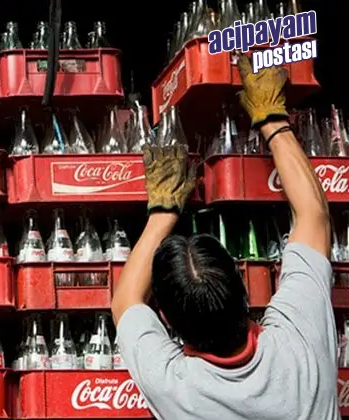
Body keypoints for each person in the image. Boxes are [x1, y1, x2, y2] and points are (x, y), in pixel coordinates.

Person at [111, 55, 339, 420]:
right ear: (244, 291)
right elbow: (314, 216)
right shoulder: (298, 344)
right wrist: (272, 119)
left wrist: (163, 212)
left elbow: (125, 302)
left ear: (165, 319)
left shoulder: (174, 386)